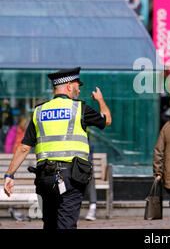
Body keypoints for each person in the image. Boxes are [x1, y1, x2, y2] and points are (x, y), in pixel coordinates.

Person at [3, 67, 112, 229]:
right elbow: (107, 120)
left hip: (45, 178)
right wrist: (100, 101)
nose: (79, 90)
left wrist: (9, 174)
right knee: (66, 225)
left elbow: (24, 147)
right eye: (77, 85)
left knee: (50, 225)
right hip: (71, 178)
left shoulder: (39, 111)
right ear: (69, 86)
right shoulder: (79, 109)